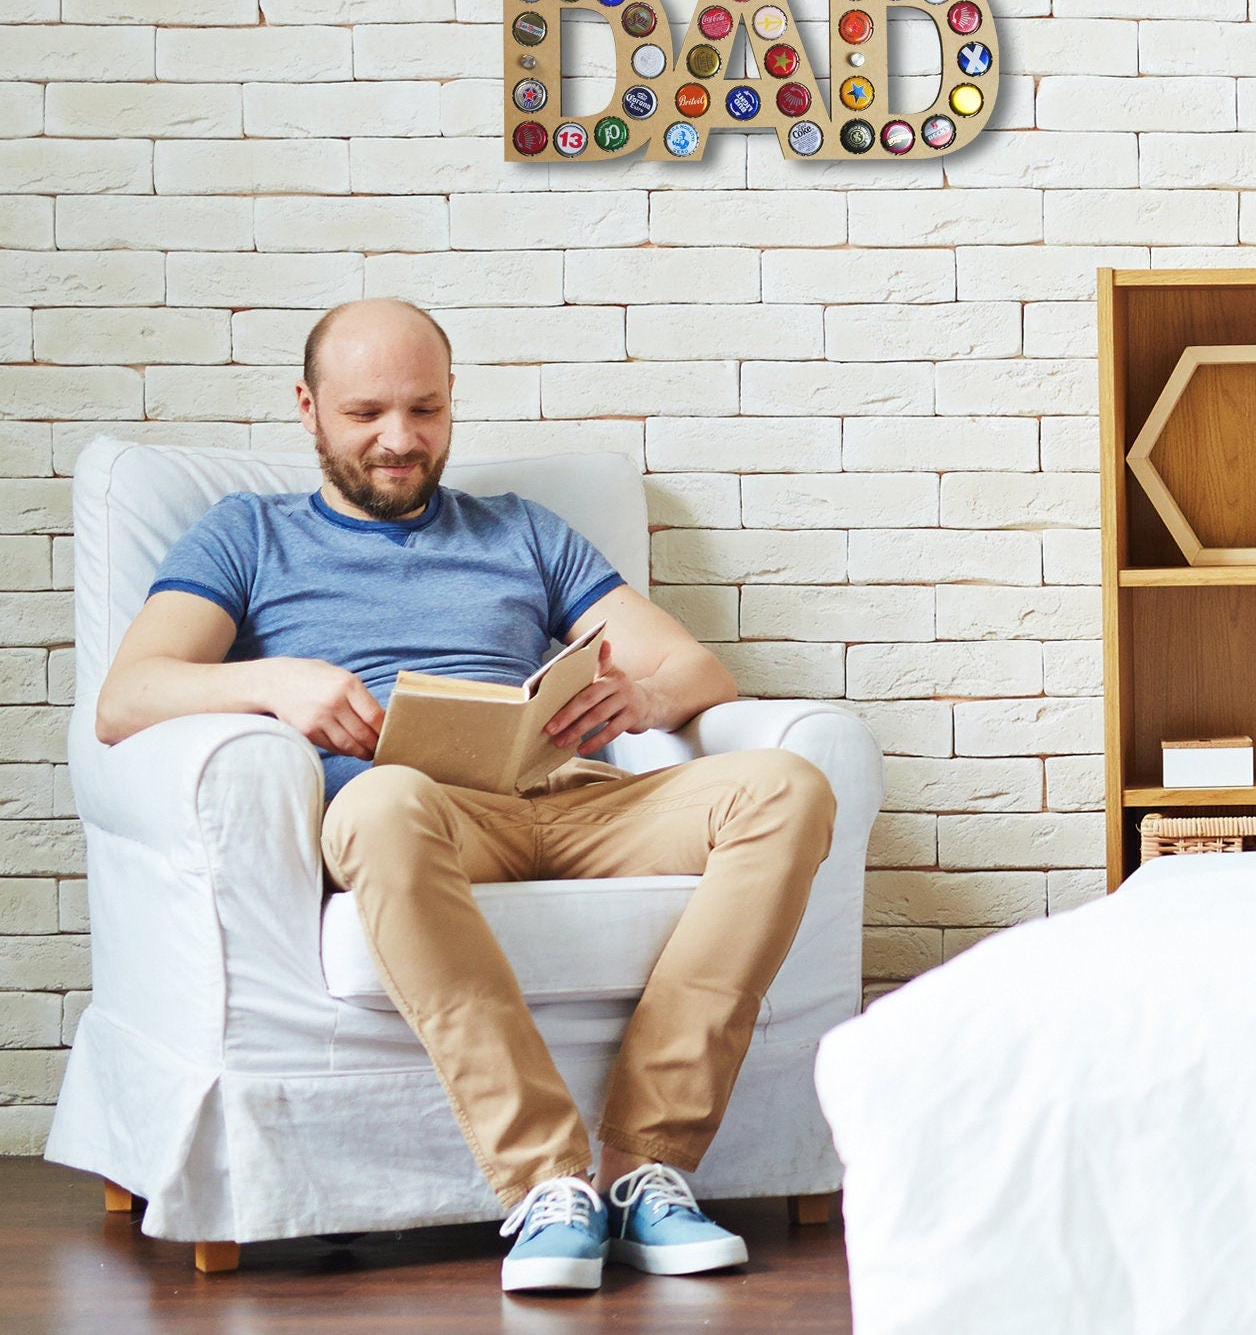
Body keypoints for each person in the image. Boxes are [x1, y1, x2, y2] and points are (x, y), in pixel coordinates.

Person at [93, 298, 838, 1295]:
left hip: (569, 794)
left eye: (425, 411)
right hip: (415, 814)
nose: (399, 441)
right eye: (366, 414)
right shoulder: (248, 536)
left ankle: (644, 1165)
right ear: (308, 410)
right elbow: (126, 696)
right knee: (379, 804)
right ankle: (545, 1179)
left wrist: (641, 696)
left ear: (452, 407)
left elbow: (696, 668)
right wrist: (271, 682)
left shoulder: (523, 530)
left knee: (787, 786)